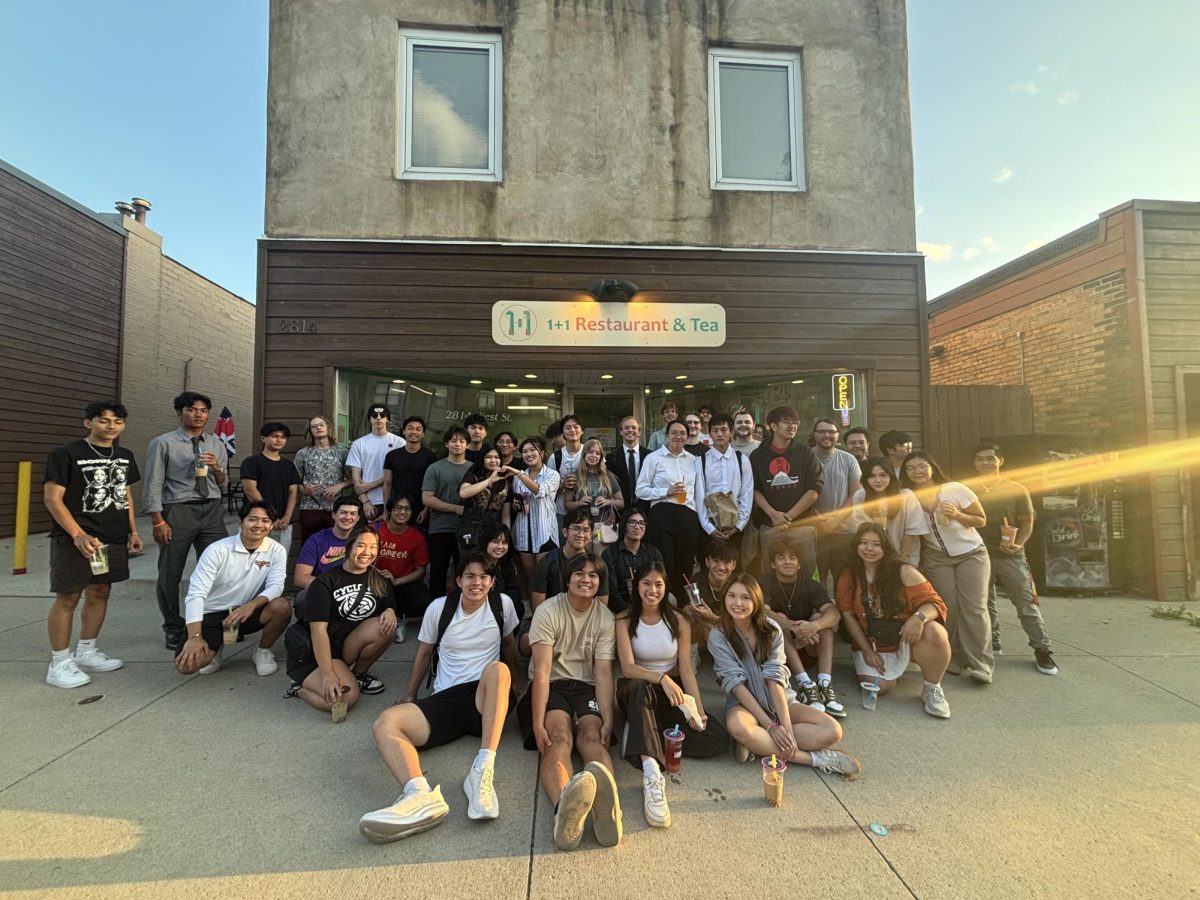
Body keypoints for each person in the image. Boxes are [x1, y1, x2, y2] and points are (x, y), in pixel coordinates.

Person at [359, 555, 520, 842]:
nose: (476, 582)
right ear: (458, 581)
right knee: (385, 723)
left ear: (492, 582)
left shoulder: (502, 605)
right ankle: (419, 795)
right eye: (469, 576)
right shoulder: (440, 609)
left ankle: (481, 772)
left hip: (483, 699)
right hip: (445, 698)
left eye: (484, 577)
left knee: (499, 669)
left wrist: (516, 685)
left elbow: (508, 645)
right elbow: (423, 653)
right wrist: (411, 693)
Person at [708, 574, 861, 776]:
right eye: (731, 596)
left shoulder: (771, 629)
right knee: (739, 727)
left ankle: (757, 745)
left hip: (779, 699)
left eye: (745, 597)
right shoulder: (718, 635)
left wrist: (785, 727)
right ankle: (815, 759)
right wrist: (771, 726)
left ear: (756, 600)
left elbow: (775, 679)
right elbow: (736, 685)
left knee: (832, 730)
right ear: (724, 598)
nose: (737, 603)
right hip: (743, 704)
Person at [615, 561, 730, 828]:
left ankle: (644, 734)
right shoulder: (623, 619)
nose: (652, 590)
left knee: (717, 738)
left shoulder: (678, 620)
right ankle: (652, 773)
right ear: (636, 586)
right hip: (636, 687)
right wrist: (662, 678)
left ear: (666, 588)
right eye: (646, 583)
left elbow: (687, 671)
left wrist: (697, 711)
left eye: (658, 584)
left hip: (672, 691)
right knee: (640, 688)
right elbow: (628, 668)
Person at [522, 553, 623, 852]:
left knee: (593, 737)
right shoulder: (548, 611)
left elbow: (604, 672)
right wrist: (537, 721)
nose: (586, 579)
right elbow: (540, 672)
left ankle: (608, 808)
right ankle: (564, 810)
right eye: (579, 573)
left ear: (599, 582)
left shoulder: (605, 618)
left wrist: (609, 718)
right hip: (551, 684)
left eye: (593, 575)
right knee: (559, 738)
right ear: (568, 579)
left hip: (586, 686)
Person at [43, 400, 143, 688]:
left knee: (100, 591)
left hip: (112, 536)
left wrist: (133, 531)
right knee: (68, 596)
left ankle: (87, 651)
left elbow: (125, 495)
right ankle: (59, 662)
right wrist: (77, 534)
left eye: (118, 421)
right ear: (88, 422)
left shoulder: (124, 455)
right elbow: (52, 498)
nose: (111, 426)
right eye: (104, 420)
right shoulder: (65, 454)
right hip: (77, 538)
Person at [836, 523, 952, 718]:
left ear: (885, 547)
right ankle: (893, 671)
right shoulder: (849, 576)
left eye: (876, 544)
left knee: (935, 631)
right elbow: (847, 615)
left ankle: (932, 688)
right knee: (880, 688)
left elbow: (936, 604)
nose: (869, 549)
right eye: (863, 543)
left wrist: (918, 618)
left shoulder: (904, 571)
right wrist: (865, 650)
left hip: (905, 636)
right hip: (873, 642)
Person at [143, 391, 229, 653]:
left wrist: (215, 468)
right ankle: (173, 626)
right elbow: (153, 482)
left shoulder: (216, 443)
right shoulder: (163, 443)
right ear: (180, 412)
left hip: (212, 509)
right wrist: (158, 521)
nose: (198, 414)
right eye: (192, 409)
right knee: (171, 571)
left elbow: (222, 482)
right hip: (178, 509)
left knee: (221, 568)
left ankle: (213, 623)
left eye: (203, 410)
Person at [902, 450, 993, 683]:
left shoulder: (955, 489)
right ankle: (952, 656)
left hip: (970, 553)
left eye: (922, 466)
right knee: (946, 607)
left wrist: (958, 515)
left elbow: (981, 519)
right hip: (936, 557)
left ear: (932, 466)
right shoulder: (910, 496)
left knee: (974, 608)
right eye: (911, 468)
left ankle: (980, 663)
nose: (917, 472)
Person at [174, 501, 290, 677]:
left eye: (265, 521)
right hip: (211, 615)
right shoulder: (217, 550)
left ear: (272, 525)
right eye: (252, 519)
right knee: (186, 667)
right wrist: (194, 637)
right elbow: (196, 593)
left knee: (281, 606)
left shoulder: (276, 550)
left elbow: (276, 585)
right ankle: (215, 646)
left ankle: (262, 651)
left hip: (245, 613)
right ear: (240, 521)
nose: (259, 525)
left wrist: (251, 605)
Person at [972, 443, 1058, 675]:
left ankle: (1042, 648)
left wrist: (1019, 542)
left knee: (1025, 602)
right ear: (975, 463)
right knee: (984, 603)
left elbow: (1027, 520)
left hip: (1010, 554)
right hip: (978, 552)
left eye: (990, 458)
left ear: (1000, 460)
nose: (985, 463)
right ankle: (992, 641)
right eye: (980, 459)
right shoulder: (969, 489)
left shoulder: (1016, 488)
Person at [283, 527, 396, 703]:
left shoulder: (379, 580)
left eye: (373, 547)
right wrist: (327, 674)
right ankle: (299, 689)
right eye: (361, 545)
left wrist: (390, 611)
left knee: (386, 627)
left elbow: (388, 606)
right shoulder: (325, 582)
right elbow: (318, 631)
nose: (367, 552)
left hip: (344, 647)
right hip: (316, 654)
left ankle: (358, 674)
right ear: (348, 547)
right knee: (343, 700)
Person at [760, 539, 845, 717]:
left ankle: (824, 683)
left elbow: (834, 613)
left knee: (821, 620)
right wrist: (795, 627)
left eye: (792, 558)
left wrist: (814, 626)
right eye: (781, 558)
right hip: (779, 653)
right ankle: (805, 683)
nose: (788, 562)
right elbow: (763, 613)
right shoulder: (765, 582)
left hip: (809, 645)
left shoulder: (810, 584)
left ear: (799, 564)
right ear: (772, 564)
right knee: (779, 619)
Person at [748, 405, 821, 577]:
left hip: (802, 524)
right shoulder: (757, 456)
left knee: (806, 573)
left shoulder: (806, 453)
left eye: (796, 423)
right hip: (770, 525)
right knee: (769, 574)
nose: (793, 426)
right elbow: (754, 489)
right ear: (773, 426)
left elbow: (814, 489)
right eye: (787, 422)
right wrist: (773, 514)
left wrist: (789, 516)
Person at [636, 420, 701, 605]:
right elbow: (640, 490)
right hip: (662, 514)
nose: (678, 436)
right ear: (667, 435)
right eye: (674, 433)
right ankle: (662, 605)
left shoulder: (693, 460)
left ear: (688, 437)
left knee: (685, 565)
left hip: (687, 515)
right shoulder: (654, 458)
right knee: (663, 564)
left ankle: (683, 607)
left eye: (682, 433)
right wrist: (666, 492)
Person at [530, 507, 617, 612]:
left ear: (590, 534)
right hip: (553, 620)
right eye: (576, 529)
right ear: (565, 532)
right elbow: (538, 609)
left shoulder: (598, 565)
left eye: (586, 530)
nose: (580, 535)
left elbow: (601, 608)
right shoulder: (547, 562)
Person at [809, 419, 862, 586]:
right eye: (822, 431)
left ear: (837, 436)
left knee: (843, 576)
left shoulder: (848, 460)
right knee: (818, 574)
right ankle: (822, 610)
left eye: (831, 432)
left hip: (845, 529)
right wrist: (818, 519)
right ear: (815, 435)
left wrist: (835, 520)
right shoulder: (806, 456)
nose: (827, 435)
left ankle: (843, 611)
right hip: (814, 529)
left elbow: (856, 493)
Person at [422, 426, 472, 595]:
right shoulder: (434, 468)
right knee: (438, 572)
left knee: (465, 571)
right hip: (440, 527)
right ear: (446, 444)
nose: (457, 444)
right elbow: (427, 498)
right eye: (453, 441)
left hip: (467, 529)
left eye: (461, 441)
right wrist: (455, 508)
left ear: (467, 445)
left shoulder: (474, 469)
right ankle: (436, 611)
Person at [375, 494, 432, 644]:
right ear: (390, 511)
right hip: (375, 582)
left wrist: (397, 581)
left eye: (407, 509)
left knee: (424, 601)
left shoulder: (417, 537)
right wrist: (377, 575)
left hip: (401, 583)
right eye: (398, 508)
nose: (402, 512)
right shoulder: (375, 531)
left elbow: (420, 571)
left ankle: (399, 619)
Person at [510, 436, 561, 597]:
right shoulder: (517, 478)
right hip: (524, 532)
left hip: (545, 532)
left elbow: (539, 491)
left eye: (533, 450)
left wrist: (519, 474)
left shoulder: (552, 475)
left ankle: (549, 616)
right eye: (524, 451)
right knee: (530, 578)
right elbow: (516, 501)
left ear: (542, 453)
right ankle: (533, 616)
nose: (528, 454)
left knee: (546, 578)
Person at [852, 457, 927, 566]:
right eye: (872, 476)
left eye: (883, 475)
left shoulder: (906, 495)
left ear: (891, 476)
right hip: (873, 556)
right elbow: (860, 528)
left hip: (905, 554)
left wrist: (904, 557)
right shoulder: (860, 495)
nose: (878, 480)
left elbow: (912, 530)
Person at [695, 413, 754, 551]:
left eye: (724, 430)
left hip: (735, 525)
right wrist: (708, 527)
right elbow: (699, 496)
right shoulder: (700, 461)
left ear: (732, 432)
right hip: (710, 526)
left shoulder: (742, 460)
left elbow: (747, 494)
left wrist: (739, 525)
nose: (719, 434)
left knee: (734, 567)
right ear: (709, 434)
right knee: (709, 566)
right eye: (715, 431)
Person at [239, 422, 300, 550]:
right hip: (256, 521)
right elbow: (250, 490)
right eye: (274, 436)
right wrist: (270, 516)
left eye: (283, 437)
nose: (279, 440)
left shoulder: (289, 465)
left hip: (283, 523)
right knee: (252, 559)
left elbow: (293, 492)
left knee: (279, 560)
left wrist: (287, 517)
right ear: (263, 438)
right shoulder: (251, 462)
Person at [293, 414, 350, 543]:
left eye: (321, 425)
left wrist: (339, 486)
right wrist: (304, 490)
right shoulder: (303, 453)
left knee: (333, 546)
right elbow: (294, 481)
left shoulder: (342, 451)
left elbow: (353, 479)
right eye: (314, 426)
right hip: (309, 508)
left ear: (328, 428)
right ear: (310, 431)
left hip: (334, 508)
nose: (318, 428)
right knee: (309, 545)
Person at [565, 438, 623, 555]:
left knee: (599, 560)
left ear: (601, 457)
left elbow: (621, 502)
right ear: (584, 454)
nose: (594, 456)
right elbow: (567, 505)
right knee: (582, 560)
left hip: (601, 526)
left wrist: (607, 501)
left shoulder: (607, 476)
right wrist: (579, 503)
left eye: (597, 453)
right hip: (582, 526)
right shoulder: (574, 476)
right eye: (590, 452)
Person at [293, 497, 363, 594]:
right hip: (321, 592)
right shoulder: (316, 540)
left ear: (358, 518)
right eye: (343, 512)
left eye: (352, 514)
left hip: (353, 593)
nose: (347, 517)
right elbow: (300, 578)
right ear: (334, 515)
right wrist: (336, 587)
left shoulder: (362, 541)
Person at [602, 507, 664, 614]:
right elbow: (612, 590)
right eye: (632, 522)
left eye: (641, 523)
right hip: (621, 606)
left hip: (649, 602)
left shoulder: (653, 553)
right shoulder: (610, 554)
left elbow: (661, 582)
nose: (638, 527)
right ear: (624, 526)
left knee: (672, 599)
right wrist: (628, 611)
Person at [348, 404, 402, 522]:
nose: (378, 418)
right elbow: (356, 477)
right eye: (374, 415)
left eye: (382, 415)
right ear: (369, 419)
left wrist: (371, 484)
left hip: (393, 501)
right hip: (367, 502)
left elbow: (400, 473)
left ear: (387, 419)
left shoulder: (399, 442)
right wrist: (365, 501)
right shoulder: (359, 444)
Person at [382, 416, 437, 527]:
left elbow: (434, 486)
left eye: (418, 429)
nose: (414, 432)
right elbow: (387, 484)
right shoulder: (392, 456)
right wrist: (385, 510)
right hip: (397, 507)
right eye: (410, 428)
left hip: (420, 508)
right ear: (404, 431)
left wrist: (426, 510)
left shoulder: (431, 457)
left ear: (423, 434)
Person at [458, 445, 514, 545]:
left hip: (494, 530)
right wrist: (489, 481)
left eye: (496, 457)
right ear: (482, 459)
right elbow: (463, 493)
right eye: (488, 457)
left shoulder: (505, 483)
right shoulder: (473, 476)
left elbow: (506, 514)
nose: (493, 460)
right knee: (471, 558)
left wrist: (506, 534)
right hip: (472, 527)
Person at [479, 521, 526, 628]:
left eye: (504, 543)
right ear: (486, 542)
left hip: (503, 611)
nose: (500, 546)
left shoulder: (507, 564)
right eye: (495, 541)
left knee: (518, 607)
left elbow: (514, 591)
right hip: (481, 613)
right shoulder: (476, 564)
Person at [606, 416, 649, 515]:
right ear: (621, 432)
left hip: (645, 507)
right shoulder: (612, 457)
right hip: (621, 509)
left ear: (639, 432)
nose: (630, 430)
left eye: (634, 428)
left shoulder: (649, 456)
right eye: (626, 428)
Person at [547, 414, 584, 527]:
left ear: (582, 431)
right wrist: (562, 485)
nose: (572, 430)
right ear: (562, 433)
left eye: (576, 427)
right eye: (568, 428)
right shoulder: (555, 457)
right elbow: (547, 488)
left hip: (586, 511)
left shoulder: (590, 452)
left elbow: (603, 478)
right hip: (561, 511)